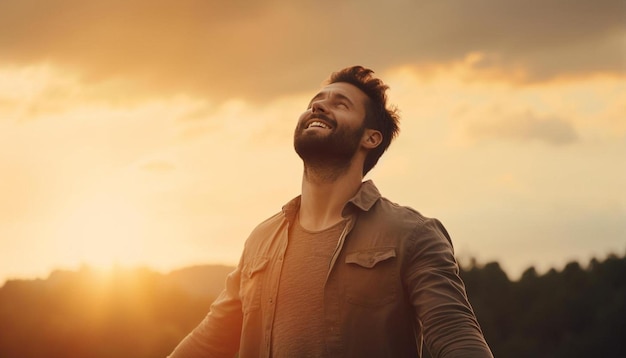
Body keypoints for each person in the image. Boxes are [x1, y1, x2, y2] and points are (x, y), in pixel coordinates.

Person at [168, 66, 493, 357]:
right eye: (315, 101)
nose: (318, 106)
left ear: (371, 138)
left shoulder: (412, 235)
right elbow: (209, 341)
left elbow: (454, 335)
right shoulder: (260, 241)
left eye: (341, 103)